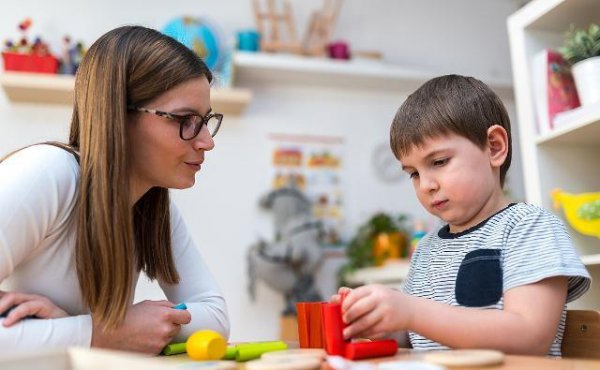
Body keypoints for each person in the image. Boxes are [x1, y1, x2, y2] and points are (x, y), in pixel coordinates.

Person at [0, 26, 229, 354]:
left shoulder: (153, 205)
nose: (207, 141)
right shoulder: (47, 174)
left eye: (206, 120)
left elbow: (215, 317)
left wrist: (88, 328)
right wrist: (97, 333)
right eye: (185, 119)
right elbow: (104, 334)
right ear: (119, 114)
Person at [333, 75, 590, 357]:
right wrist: (381, 322)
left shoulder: (529, 227)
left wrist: (411, 311)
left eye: (439, 162)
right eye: (414, 174)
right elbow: (416, 337)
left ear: (494, 147)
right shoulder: (427, 248)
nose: (426, 185)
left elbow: (530, 336)